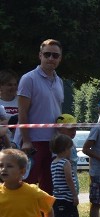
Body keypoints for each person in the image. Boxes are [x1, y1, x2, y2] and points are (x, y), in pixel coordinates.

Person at [15, 39, 64, 193]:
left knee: (49, 185)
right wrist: (26, 140)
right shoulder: (28, 79)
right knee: (27, 183)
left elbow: (57, 111)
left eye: (55, 55)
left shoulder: (60, 81)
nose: (51, 58)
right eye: (47, 54)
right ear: (40, 55)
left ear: (60, 58)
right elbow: (22, 112)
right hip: (33, 141)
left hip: (53, 142)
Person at [49, 133, 80, 217]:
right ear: (65, 149)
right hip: (67, 197)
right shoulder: (65, 163)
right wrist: (74, 194)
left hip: (57, 198)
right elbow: (69, 179)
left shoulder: (53, 162)